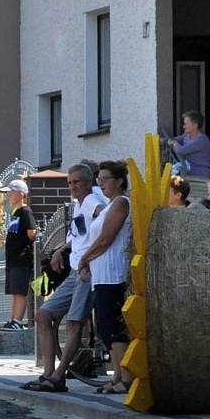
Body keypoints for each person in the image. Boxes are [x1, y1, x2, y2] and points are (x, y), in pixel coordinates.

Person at [23, 163, 105, 392]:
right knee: (42, 315)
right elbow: (79, 235)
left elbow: (105, 218)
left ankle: (58, 377)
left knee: (73, 322)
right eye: (69, 183)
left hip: (87, 271)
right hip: (74, 271)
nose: (72, 187)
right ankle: (48, 373)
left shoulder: (91, 201)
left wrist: (91, 256)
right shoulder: (78, 206)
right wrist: (60, 250)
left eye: (76, 182)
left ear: (88, 183)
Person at [79, 161, 134, 395]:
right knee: (105, 327)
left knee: (113, 326)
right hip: (101, 275)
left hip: (113, 273)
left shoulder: (121, 203)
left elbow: (106, 238)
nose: (101, 184)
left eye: (105, 179)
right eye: (98, 180)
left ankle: (125, 378)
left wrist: (84, 259)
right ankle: (117, 376)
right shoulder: (109, 204)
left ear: (119, 180)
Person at [0, 178, 37, 331]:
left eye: (11, 192)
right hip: (13, 259)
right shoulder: (16, 213)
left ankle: (18, 320)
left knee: (20, 290)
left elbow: (32, 233)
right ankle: (12, 319)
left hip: (22, 258)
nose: (8, 195)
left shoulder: (25, 212)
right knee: (14, 290)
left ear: (21, 194)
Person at [170, 111, 210, 185]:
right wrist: (164, 140)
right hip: (191, 176)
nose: (183, 126)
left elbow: (181, 150)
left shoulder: (201, 140)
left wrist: (174, 143)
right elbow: (174, 138)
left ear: (195, 125)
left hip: (201, 178)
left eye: (186, 124)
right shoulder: (186, 136)